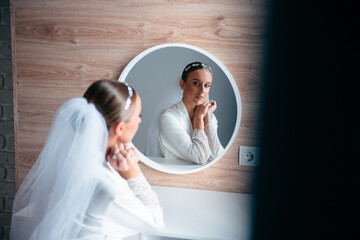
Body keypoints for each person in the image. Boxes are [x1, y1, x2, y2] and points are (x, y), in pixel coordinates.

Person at [10, 80, 164, 240]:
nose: (140, 121)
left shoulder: (73, 159)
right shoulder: (106, 185)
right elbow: (155, 222)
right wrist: (133, 173)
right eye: (139, 115)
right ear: (120, 128)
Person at [159, 62, 224, 165]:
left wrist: (206, 116)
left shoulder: (210, 117)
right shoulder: (168, 118)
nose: (202, 91)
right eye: (196, 83)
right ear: (182, 84)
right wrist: (198, 118)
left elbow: (217, 156)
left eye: (207, 85)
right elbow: (200, 158)